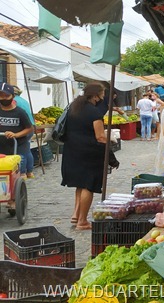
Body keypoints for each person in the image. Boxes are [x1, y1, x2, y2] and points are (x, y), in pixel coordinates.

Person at [61, 83, 119, 231]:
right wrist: (111, 156)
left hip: (72, 151)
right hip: (89, 153)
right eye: (102, 94)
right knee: (88, 185)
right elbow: (100, 137)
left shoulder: (73, 107)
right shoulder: (94, 113)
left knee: (80, 184)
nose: (103, 97)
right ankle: (82, 221)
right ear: (95, 96)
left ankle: (76, 215)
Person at [0, 83, 33, 182]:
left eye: (7, 96)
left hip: (18, 146)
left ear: (12, 96)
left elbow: (29, 128)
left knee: (18, 173)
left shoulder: (20, 112)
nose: (4, 98)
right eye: (1, 96)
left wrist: (16, 135)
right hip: (2, 146)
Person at [12, 85, 35, 178]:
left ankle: (22, 173)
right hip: (31, 127)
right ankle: (30, 172)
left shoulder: (14, 102)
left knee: (20, 151)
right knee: (27, 150)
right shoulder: (24, 101)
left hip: (22, 129)